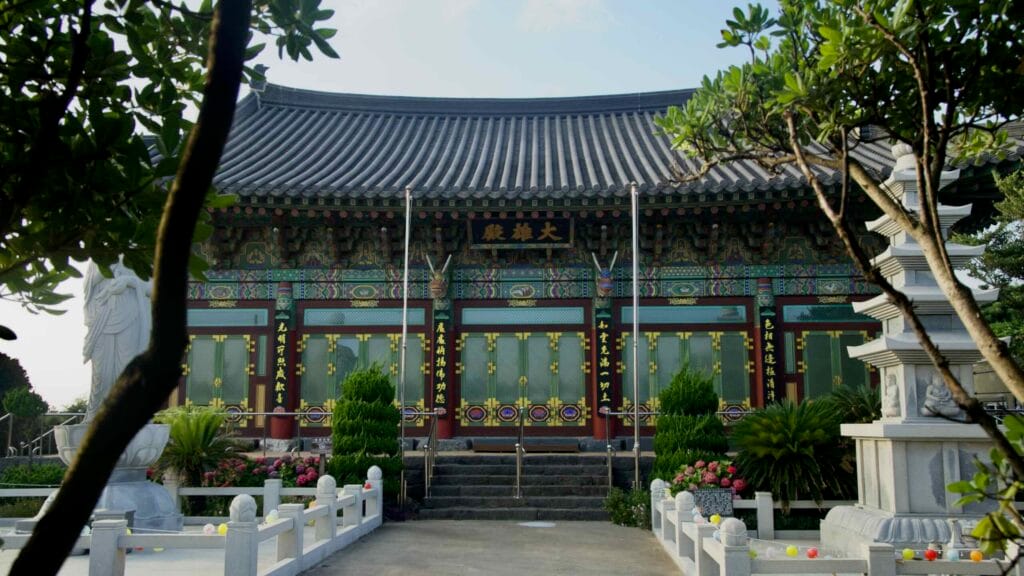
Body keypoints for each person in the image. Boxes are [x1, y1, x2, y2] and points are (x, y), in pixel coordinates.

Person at [82, 259, 152, 421]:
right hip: (102, 318)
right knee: (101, 374)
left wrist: (130, 281)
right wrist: (108, 266)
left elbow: (154, 288)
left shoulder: (140, 255)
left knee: (127, 368)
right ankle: (96, 415)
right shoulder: (99, 256)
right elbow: (88, 288)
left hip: (130, 318)